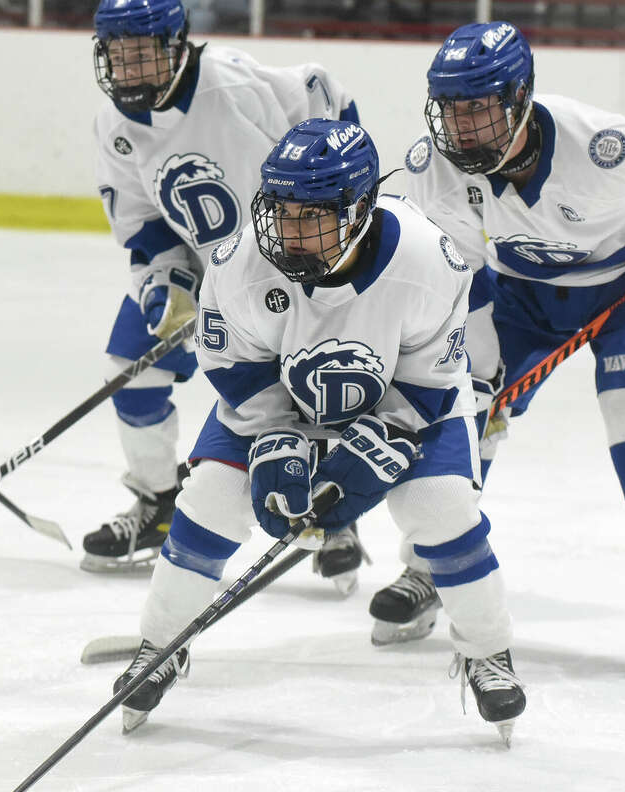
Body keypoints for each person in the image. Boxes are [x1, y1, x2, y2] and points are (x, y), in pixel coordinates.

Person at [112, 119, 526, 744]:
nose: (290, 232)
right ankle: (159, 644)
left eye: (313, 216)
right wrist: (279, 437)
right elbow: (234, 367)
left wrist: (382, 443)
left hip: (402, 401)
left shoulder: (428, 259)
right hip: (279, 398)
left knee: (440, 509)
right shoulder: (240, 261)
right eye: (281, 211)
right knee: (210, 502)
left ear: (359, 210)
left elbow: (431, 381)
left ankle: (488, 651)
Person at [384, 21, 625, 673]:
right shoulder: (435, 169)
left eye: (479, 110)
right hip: (522, 290)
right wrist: (469, 380)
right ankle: (431, 565)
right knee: (458, 409)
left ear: (520, 99)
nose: (464, 130)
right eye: (452, 112)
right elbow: (441, 271)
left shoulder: (602, 149)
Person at [83, 0, 368, 592]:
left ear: (176, 42)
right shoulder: (114, 127)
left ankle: (335, 517)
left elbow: (328, 97)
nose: (129, 69)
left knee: (311, 386)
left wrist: (336, 229)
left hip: (293, 268)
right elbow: (144, 224)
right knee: (128, 371)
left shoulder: (237, 84)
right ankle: (159, 501)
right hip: (210, 275)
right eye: (118, 53)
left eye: (142, 53)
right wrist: (169, 281)